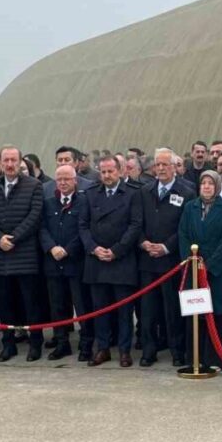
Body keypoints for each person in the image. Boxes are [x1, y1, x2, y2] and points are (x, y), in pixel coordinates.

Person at [133, 149, 194, 367]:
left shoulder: (187, 192)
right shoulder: (145, 191)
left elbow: (185, 227)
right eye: (157, 165)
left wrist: (166, 247)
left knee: (172, 309)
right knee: (147, 311)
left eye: (165, 165)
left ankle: (177, 351)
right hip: (148, 261)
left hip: (171, 261)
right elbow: (136, 222)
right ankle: (148, 351)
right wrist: (143, 242)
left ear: (174, 166)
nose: (160, 168)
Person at [79, 156, 141, 366]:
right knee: (100, 309)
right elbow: (83, 226)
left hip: (121, 260)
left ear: (120, 171)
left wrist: (116, 250)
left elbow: (135, 225)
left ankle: (124, 350)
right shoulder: (90, 194)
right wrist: (94, 249)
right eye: (103, 172)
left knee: (124, 310)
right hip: (97, 261)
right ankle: (103, 348)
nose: (106, 176)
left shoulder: (132, 194)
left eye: (110, 171)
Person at [0, 146, 45, 361]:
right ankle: (8, 344)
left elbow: (35, 215)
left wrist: (14, 237)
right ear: (1, 163)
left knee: (31, 303)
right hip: (0, 256)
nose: (9, 165)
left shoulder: (34, 186)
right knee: (5, 304)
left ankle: (35, 344)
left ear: (19, 162)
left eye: (13, 160)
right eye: (6, 160)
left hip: (25, 255)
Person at [178, 170, 222, 369]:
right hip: (193, 269)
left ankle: (217, 359)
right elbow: (183, 234)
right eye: (203, 183)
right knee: (196, 314)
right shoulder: (190, 207)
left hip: (216, 271)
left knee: (217, 315)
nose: (206, 186)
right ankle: (195, 358)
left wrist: (209, 265)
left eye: (211, 183)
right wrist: (191, 260)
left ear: (217, 186)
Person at [40, 165, 94, 362]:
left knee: (82, 306)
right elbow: (42, 229)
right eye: (59, 179)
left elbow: (84, 230)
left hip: (75, 264)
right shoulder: (48, 203)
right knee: (58, 306)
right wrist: (51, 247)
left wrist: (68, 250)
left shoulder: (83, 202)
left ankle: (86, 343)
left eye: (67, 179)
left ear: (75, 181)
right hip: (53, 264)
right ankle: (62, 343)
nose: (63, 183)